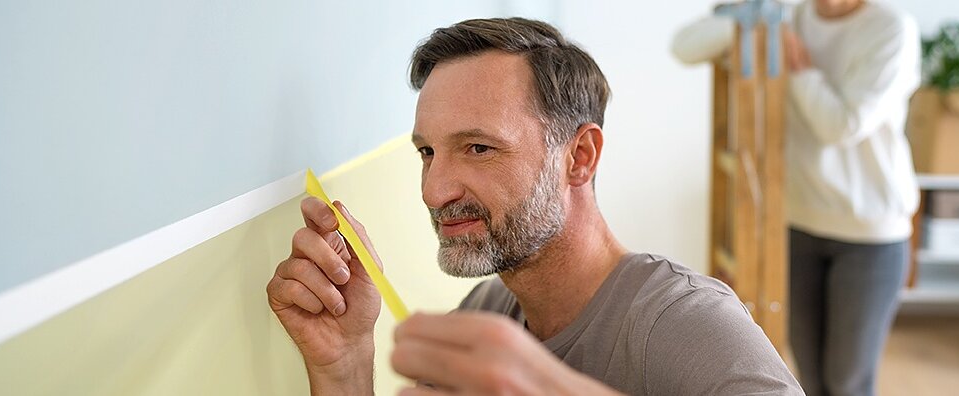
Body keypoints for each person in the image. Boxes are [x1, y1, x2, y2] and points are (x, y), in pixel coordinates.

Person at [267, 17, 803, 395]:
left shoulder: (683, 325)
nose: (434, 191)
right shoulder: (485, 310)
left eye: (479, 148)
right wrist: (344, 364)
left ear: (580, 157)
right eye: (428, 152)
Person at [782, 1, 922, 395]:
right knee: (808, 379)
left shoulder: (892, 28)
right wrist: (750, 18)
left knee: (848, 384)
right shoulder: (789, 17)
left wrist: (799, 69)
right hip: (799, 220)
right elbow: (686, 46)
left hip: (871, 234)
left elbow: (840, 126)